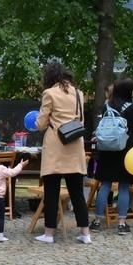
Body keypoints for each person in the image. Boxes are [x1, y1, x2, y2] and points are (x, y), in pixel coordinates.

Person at [34, 62, 92, 244]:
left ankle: (49, 234)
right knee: (77, 193)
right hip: (74, 145)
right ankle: (85, 233)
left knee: (52, 191)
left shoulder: (49, 93)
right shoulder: (79, 93)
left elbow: (41, 124)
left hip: (55, 147)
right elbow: (80, 119)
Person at [90, 78, 133, 235]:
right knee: (124, 186)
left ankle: (97, 221)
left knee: (105, 185)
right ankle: (121, 223)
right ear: (129, 91)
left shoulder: (108, 106)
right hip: (126, 152)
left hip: (107, 150)